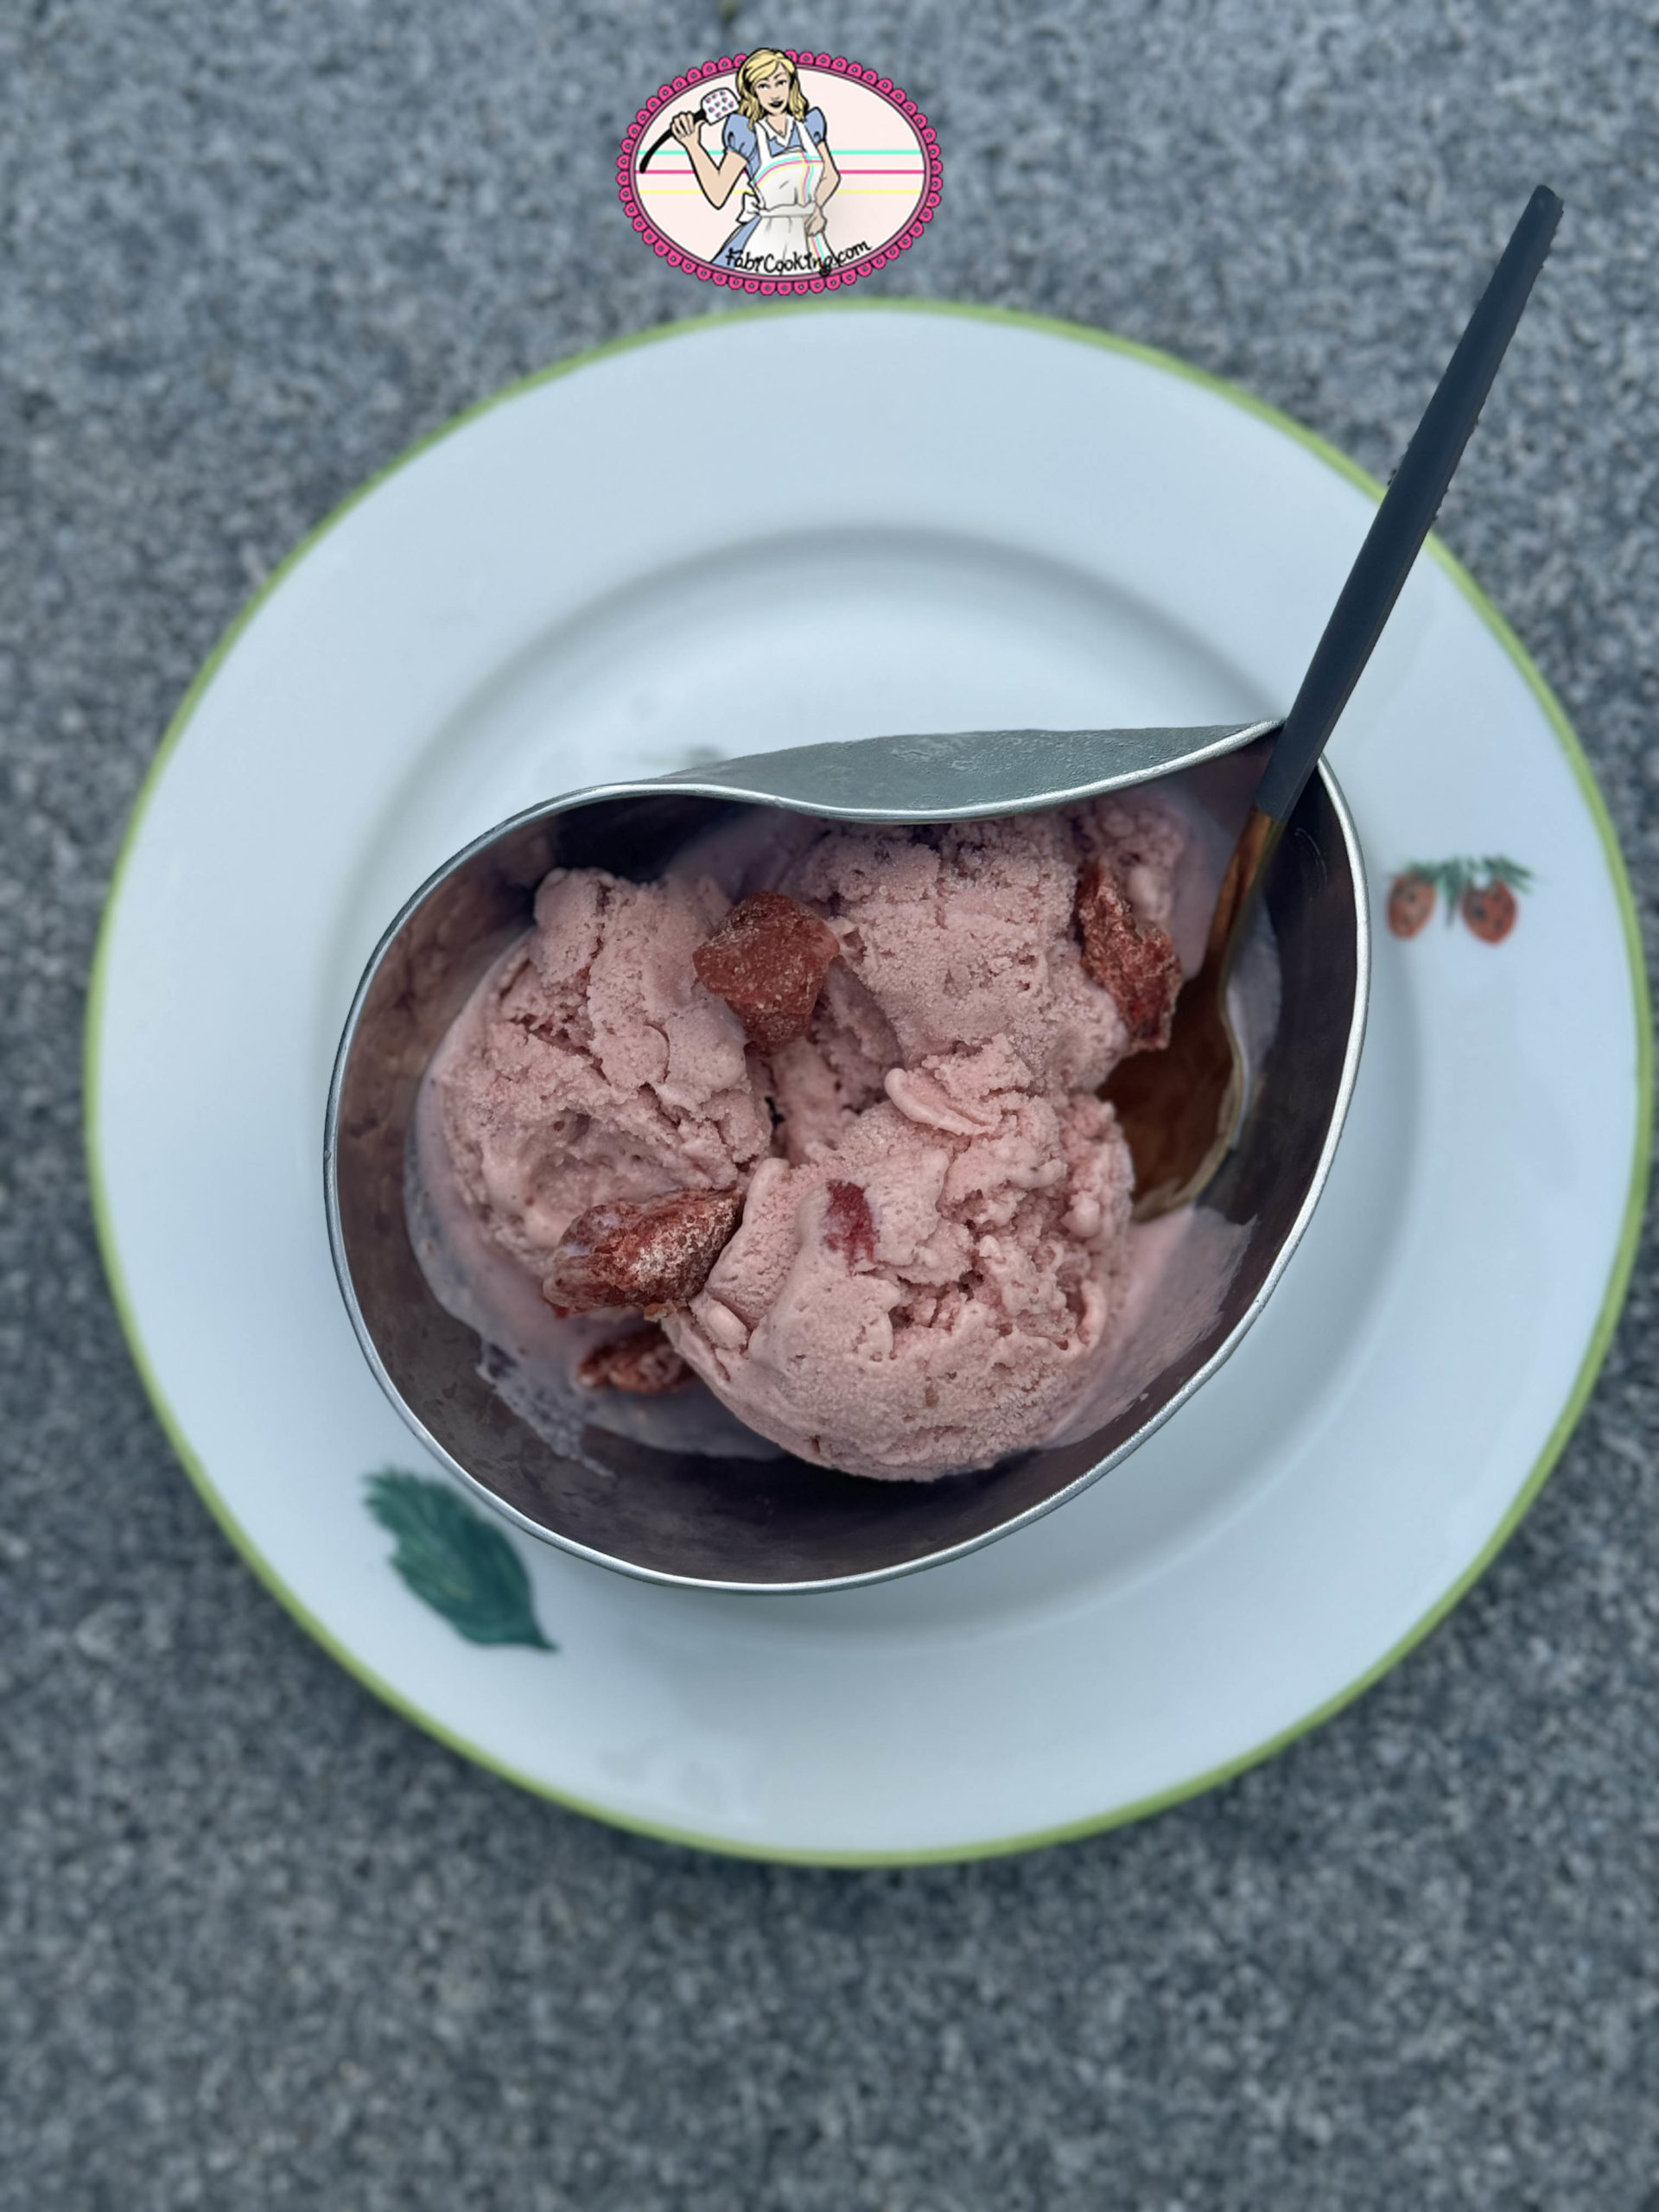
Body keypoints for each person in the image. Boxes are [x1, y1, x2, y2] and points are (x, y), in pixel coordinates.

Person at [672, 49, 840, 274]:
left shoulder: (810, 125)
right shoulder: (747, 133)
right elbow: (717, 191)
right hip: (765, 237)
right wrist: (693, 145)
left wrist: (816, 208)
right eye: (763, 85)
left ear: (792, 84)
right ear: (752, 92)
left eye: (780, 82)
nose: (774, 93)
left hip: (811, 235)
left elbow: (830, 176)